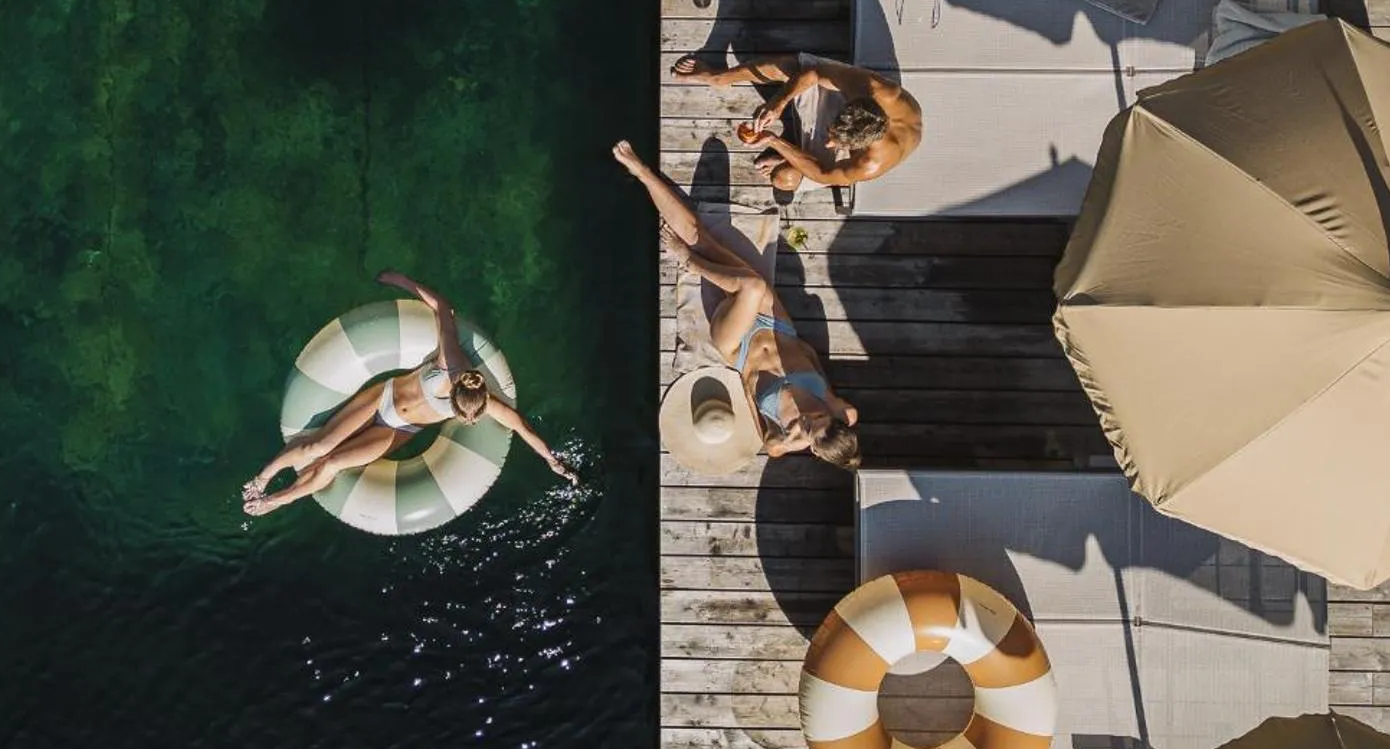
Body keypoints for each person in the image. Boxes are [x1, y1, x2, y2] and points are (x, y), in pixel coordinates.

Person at [244, 270, 576, 517]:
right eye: (460, 414)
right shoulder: (450, 360)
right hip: (381, 398)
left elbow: (521, 426)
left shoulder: (483, 402)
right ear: (458, 392)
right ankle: (262, 477)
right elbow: (442, 308)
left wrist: (550, 459)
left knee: (333, 462)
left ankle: (275, 500)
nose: (463, 418)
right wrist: (400, 280)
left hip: (396, 430)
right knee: (319, 446)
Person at [612, 139, 860, 467]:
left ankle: (689, 261)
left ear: (812, 448)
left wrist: (792, 438)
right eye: (817, 419)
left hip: (737, 345)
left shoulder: (785, 438)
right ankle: (643, 174)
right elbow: (845, 414)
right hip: (777, 325)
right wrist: (807, 356)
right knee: (703, 237)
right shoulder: (839, 410)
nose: (807, 419)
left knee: (751, 285)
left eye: (810, 430)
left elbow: (771, 448)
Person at [671, 52, 921, 204]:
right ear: (852, 103)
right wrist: (777, 104)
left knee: (784, 178)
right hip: (857, 109)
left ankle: (790, 151)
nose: (828, 142)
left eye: (836, 142)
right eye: (831, 133)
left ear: (857, 147)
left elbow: (824, 173)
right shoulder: (873, 89)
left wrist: (773, 141)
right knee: (794, 70)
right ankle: (719, 77)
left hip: (843, 158)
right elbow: (813, 74)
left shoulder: (870, 163)